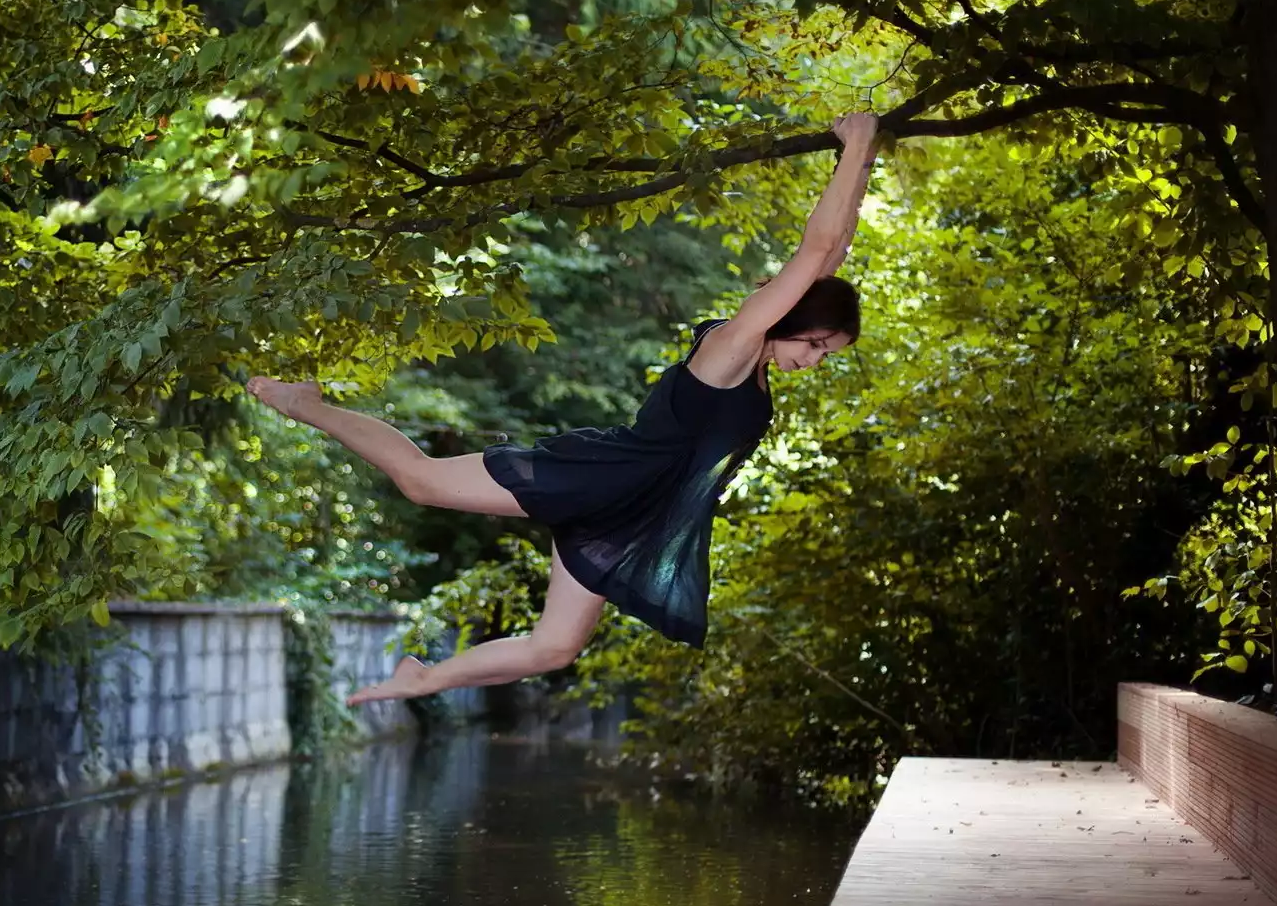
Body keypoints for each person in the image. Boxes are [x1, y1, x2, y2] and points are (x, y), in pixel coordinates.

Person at [247, 112, 879, 705]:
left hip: (637, 509)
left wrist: (865, 155)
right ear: (793, 318)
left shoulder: (763, 365)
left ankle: (423, 679)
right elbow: (816, 251)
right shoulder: (735, 348)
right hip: (605, 476)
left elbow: (834, 252)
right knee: (421, 481)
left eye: (830, 353)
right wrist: (855, 144)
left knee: (555, 647)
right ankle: (309, 405)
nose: (816, 359)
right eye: (817, 343)